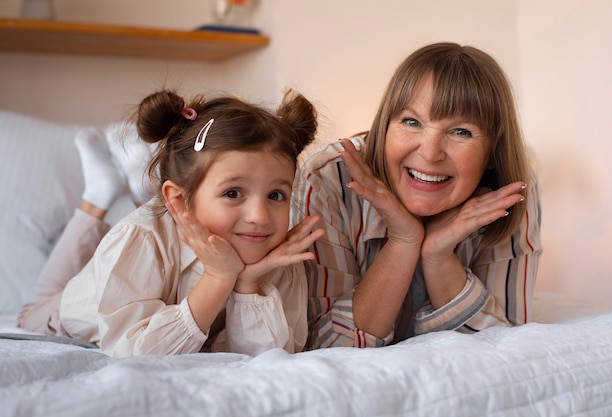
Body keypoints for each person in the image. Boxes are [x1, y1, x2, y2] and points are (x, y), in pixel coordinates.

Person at [18, 88, 323, 357]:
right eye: (233, 192)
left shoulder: (279, 256)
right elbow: (134, 352)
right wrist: (218, 277)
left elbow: (269, 358)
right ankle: (96, 198)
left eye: (276, 195)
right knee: (31, 311)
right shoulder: (140, 236)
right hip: (68, 313)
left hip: (167, 219)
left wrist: (247, 283)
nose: (260, 216)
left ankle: (131, 192)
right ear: (178, 199)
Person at [292, 42, 542, 349]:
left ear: (493, 151)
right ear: (385, 127)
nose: (430, 152)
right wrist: (404, 241)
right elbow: (322, 349)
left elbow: (509, 346)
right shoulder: (329, 178)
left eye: (461, 131)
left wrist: (437, 256)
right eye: (412, 122)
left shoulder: (510, 191)